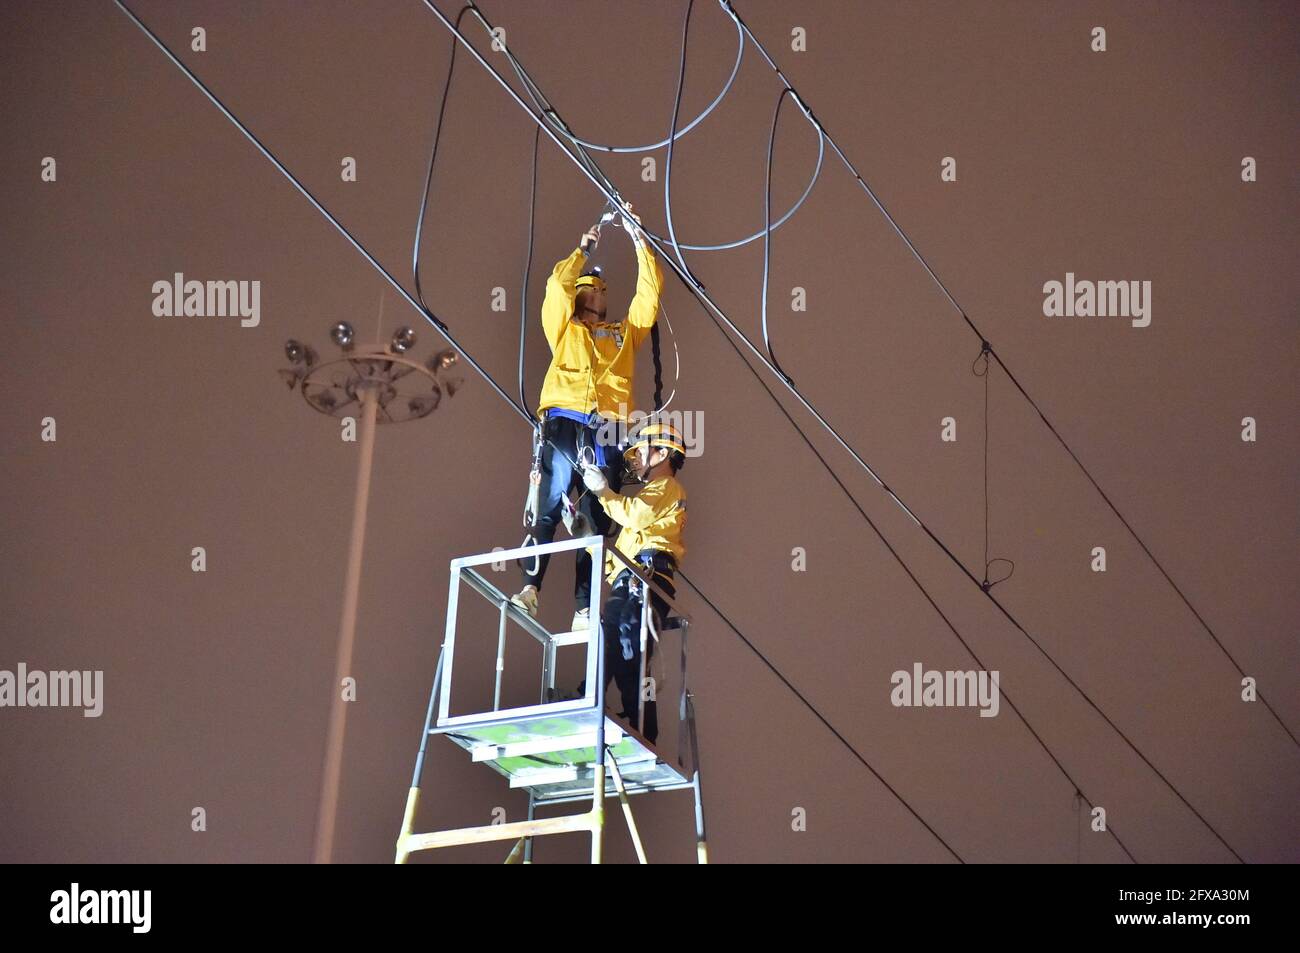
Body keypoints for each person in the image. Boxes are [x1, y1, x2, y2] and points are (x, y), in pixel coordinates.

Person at [512, 205, 664, 631]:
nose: (591, 291)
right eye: (585, 287)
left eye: (597, 287)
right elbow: (554, 288)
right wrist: (582, 250)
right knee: (548, 507)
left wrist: (638, 241)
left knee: (594, 524)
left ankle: (583, 607)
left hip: (607, 430)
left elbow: (648, 300)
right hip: (563, 420)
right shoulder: (564, 328)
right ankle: (530, 588)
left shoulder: (621, 334)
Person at [579, 421, 687, 744]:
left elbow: (634, 515)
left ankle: (606, 709)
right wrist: (587, 538)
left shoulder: (666, 488)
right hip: (634, 578)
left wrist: (603, 493)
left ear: (662, 452)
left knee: (624, 643)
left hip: (648, 579)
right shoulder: (651, 500)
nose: (635, 458)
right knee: (620, 649)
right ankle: (620, 717)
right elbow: (618, 559)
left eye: (641, 450)